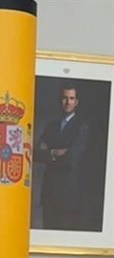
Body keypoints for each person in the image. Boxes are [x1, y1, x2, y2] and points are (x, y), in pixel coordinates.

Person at [36, 85, 89, 230]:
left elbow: (72, 159)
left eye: (71, 98)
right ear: (60, 100)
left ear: (76, 102)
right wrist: (54, 152)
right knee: (48, 234)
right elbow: (37, 154)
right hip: (49, 193)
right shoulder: (50, 127)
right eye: (65, 98)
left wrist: (49, 152)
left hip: (68, 196)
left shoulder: (82, 128)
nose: (68, 102)